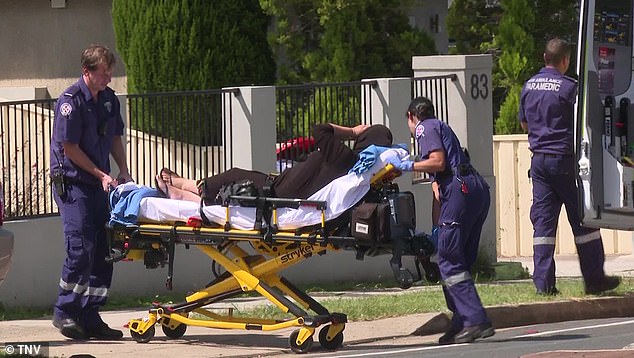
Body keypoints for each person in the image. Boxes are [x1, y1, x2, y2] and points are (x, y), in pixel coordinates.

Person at [519, 38, 621, 296]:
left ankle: (543, 285)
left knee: (543, 226)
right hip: (563, 161)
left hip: (539, 162)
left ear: (545, 57)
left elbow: (524, 125)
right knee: (583, 221)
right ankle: (595, 281)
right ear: (565, 60)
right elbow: (586, 123)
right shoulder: (569, 88)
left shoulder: (528, 86)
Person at [389, 96, 494, 344]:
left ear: (411, 117)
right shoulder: (444, 129)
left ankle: (476, 320)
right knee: (460, 261)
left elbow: (437, 161)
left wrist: (407, 165)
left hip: (461, 192)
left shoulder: (426, 126)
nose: (414, 133)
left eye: (410, 125)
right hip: (475, 190)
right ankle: (461, 322)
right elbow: (438, 192)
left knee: (448, 260)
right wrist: (438, 229)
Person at [50, 44, 132, 340]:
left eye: (111, 71)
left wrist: (123, 168)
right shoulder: (70, 102)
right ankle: (66, 312)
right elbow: (68, 148)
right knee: (81, 247)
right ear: (87, 72)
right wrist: (100, 174)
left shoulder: (108, 100)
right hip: (74, 185)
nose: (109, 77)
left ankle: (91, 314)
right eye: (104, 72)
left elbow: (114, 137)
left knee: (104, 250)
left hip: (100, 183)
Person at [156, 123, 393, 203]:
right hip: (286, 187)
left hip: (282, 190)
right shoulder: (353, 167)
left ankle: (184, 186)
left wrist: (352, 130)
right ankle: (184, 193)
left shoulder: (344, 157)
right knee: (236, 186)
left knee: (235, 175)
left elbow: (319, 130)